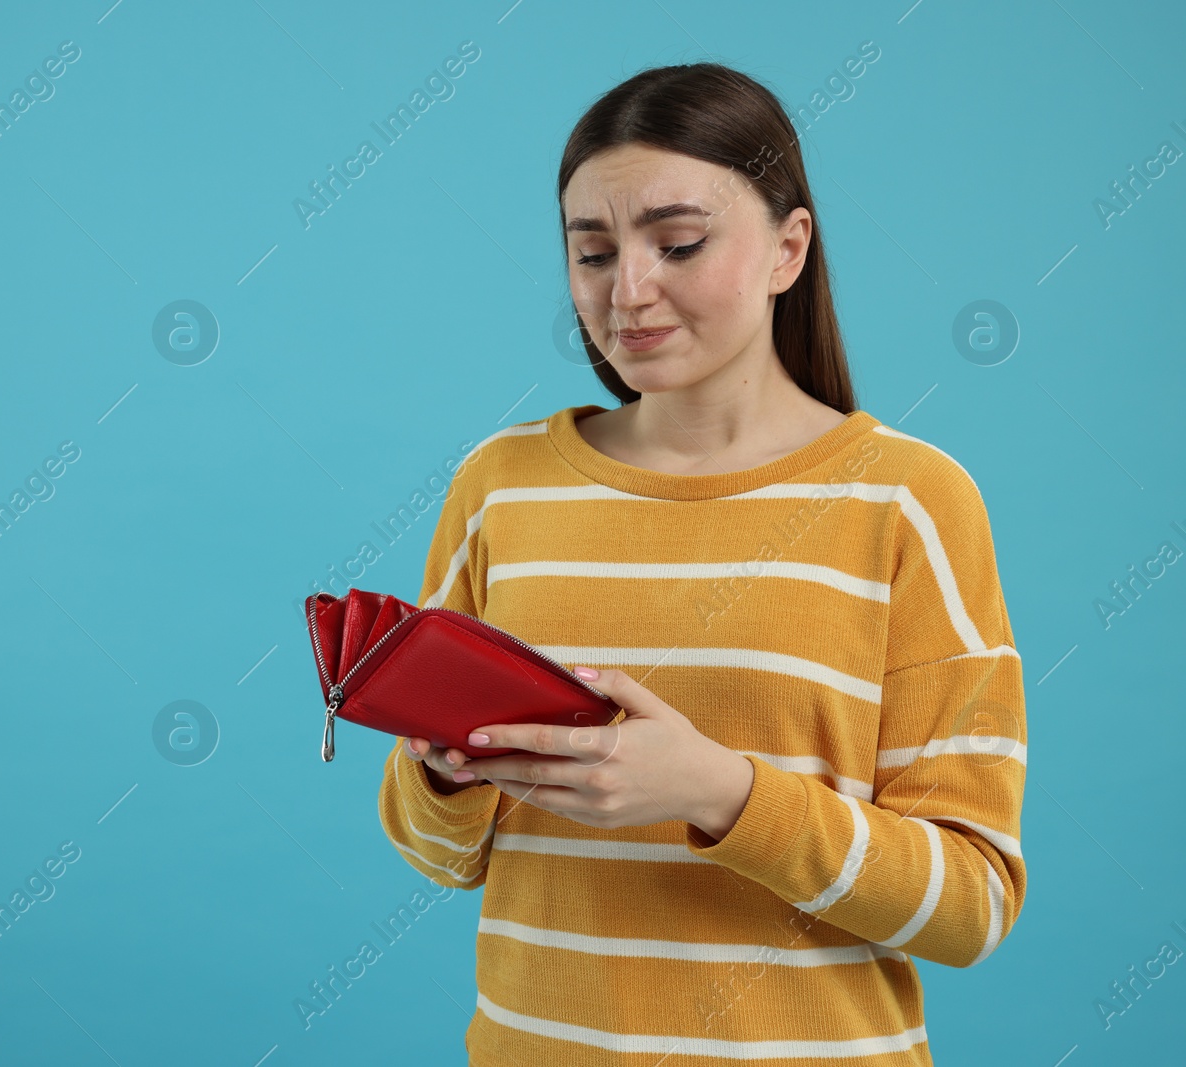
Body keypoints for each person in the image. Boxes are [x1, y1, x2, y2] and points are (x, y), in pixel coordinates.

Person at [378, 61, 1027, 1066]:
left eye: (677, 243)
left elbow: (971, 906)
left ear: (786, 247)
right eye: (590, 253)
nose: (626, 290)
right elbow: (434, 853)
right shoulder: (498, 486)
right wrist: (443, 770)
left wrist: (720, 790)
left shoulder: (909, 501)